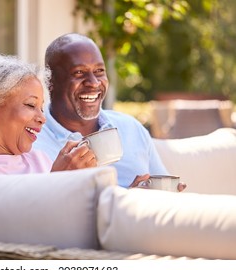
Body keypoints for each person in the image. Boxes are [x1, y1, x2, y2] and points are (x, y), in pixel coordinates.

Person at [32, 33, 186, 191]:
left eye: (99, 71)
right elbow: (27, 212)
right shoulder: (31, 141)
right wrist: (58, 181)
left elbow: (165, 191)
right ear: (50, 81)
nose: (93, 82)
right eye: (79, 72)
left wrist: (169, 196)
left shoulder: (131, 129)